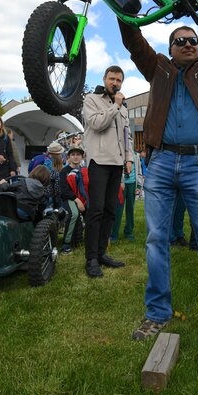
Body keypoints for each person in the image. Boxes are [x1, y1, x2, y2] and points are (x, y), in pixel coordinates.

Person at [112, 0, 198, 347]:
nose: (187, 44)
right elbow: (133, 38)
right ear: (170, 48)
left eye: (191, 40)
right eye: (179, 41)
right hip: (162, 162)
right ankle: (157, 312)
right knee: (155, 240)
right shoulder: (159, 70)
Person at [82, 65, 131, 277]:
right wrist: (115, 106)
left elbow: (127, 135)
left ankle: (101, 253)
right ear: (104, 79)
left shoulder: (123, 107)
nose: (115, 83)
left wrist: (129, 158)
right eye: (112, 79)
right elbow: (97, 124)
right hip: (99, 161)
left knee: (111, 209)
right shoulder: (91, 100)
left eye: (119, 80)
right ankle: (91, 258)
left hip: (117, 163)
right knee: (96, 210)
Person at [58, 144, 87, 254]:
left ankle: (91, 240)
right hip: (69, 199)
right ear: (68, 157)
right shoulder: (64, 171)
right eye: (73, 154)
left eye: (78, 154)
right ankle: (66, 244)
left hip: (83, 198)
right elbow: (64, 191)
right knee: (74, 214)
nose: (75, 157)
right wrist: (77, 200)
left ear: (82, 157)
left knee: (94, 212)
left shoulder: (84, 170)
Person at [112, 154, 137, 242]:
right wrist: (119, 181)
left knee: (130, 208)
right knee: (118, 209)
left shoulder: (136, 155)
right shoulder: (120, 152)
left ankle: (128, 232)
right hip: (121, 185)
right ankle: (114, 233)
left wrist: (138, 185)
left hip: (132, 183)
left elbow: (138, 170)